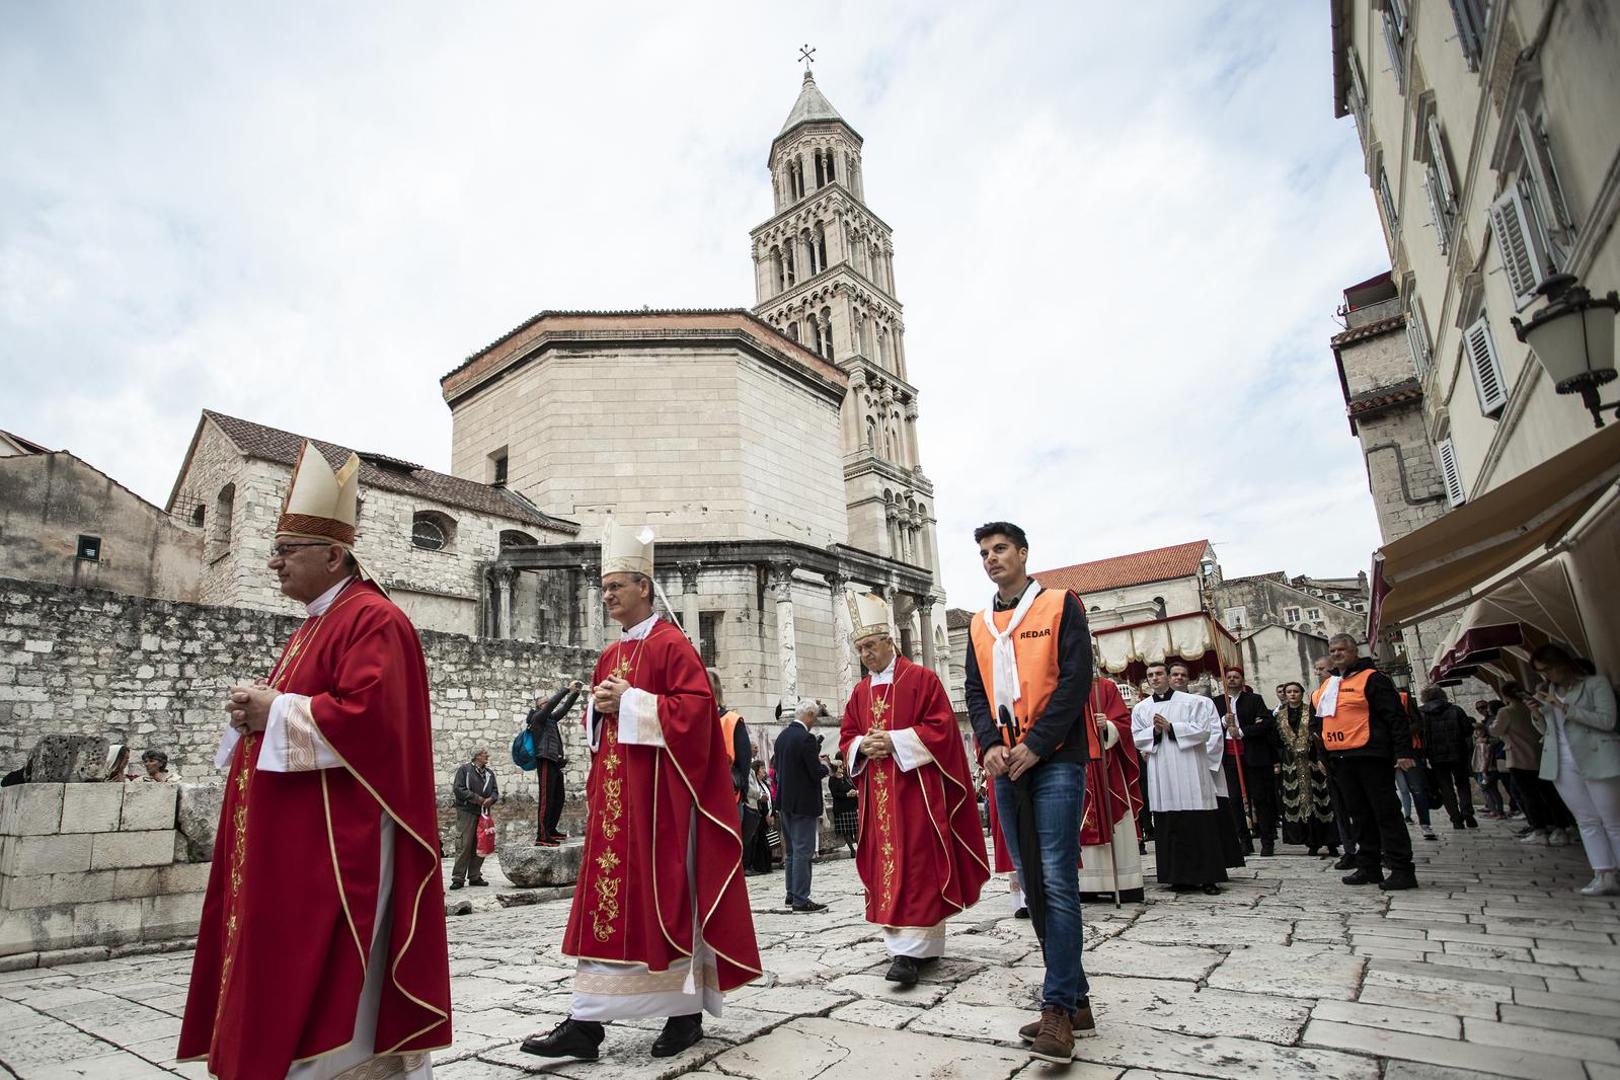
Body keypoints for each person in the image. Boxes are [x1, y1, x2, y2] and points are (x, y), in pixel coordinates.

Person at [178, 441, 450, 1077]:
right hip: (292, 842)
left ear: (334, 555)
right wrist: (258, 711)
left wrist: (275, 710)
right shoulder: (312, 624)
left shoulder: (373, 619)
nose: (272, 564)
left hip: (340, 844)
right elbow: (296, 711)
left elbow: (372, 723)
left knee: (331, 986)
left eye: (285, 551)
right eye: (273, 550)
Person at [522, 522, 760, 1062]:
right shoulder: (608, 656)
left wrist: (631, 701)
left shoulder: (673, 644)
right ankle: (586, 1023)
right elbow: (598, 726)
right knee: (606, 907)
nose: (607, 596)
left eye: (617, 586)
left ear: (645, 588)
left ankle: (684, 1012)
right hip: (615, 806)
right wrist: (603, 708)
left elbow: (697, 717)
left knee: (666, 901)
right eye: (603, 588)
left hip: (662, 807)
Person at [963, 521, 1099, 1064]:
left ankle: (1058, 1009)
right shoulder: (979, 623)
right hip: (1004, 763)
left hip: (1055, 758)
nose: (992, 558)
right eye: (984, 553)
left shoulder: (1061, 605)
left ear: (1023, 553)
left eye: (1000, 549)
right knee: (1032, 884)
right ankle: (1078, 999)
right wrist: (990, 745)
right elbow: (975, 691)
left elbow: (1074, 680)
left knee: (1058, 879)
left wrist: (1038, 744)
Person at [840, 591, 989, 986]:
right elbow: (847, 737)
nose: (866, 655)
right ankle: (900, 948)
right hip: (877, 797)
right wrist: (860, 746)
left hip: (916, 794)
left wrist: (895, 741)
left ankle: (914, 951)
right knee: (885, 867)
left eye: (871, 645)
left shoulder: (921, 679)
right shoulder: (858, 693)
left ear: (890, 641)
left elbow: (942, 730)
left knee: (918, 865)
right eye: (860, 649)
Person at [1312, 634, 1418, 891]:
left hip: (1370, 754)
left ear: (1354, 652)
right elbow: (1320, 723)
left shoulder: (1372, 679)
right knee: (1358, 815)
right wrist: (1323, 756)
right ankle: (1369, 865)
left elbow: (1395, 717)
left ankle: (1402, 868)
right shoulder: (1329, 684)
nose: (1337, 654)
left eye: (1342, 650)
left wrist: (1403, 752)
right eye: (1333, 650)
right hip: (1341, 758)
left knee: (1385, 813)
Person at [1526, 643, 1620, 896]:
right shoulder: (1550, 692)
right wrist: (1538, 713)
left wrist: (1564, 707)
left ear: (1561, 664)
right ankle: (1603, 874)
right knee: (1586, 820)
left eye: (1547, 670)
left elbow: (1608, 721)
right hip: (1563, 763)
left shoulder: (1595, 685)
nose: (1545, 677)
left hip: (1598, 756)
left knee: (1613, 821)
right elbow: (1549, 731)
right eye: (1540, 672)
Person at [1132, 661, 1226, 895]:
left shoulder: (1193, 703)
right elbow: (1136, 737)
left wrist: (1172, 727)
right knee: (1169, 824)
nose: (1154, 678)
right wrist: (1154, 731)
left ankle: (1207, 877)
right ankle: (1177, 876)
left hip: (1190, 769)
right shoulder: (1141, 708)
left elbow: (1205, 731)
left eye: (1159, 674)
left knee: (1198, 825)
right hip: (1162, 772)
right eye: (1150, 675)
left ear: (1168, 676)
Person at [1171, 663, 1244, 870]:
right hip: (1175, 772)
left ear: (1189, 679)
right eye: (1174, 674)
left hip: (1202, 767)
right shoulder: (1155, 705)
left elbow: (1212, 734)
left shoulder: (1203, 702)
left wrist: (1201, 762)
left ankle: (1217, 860)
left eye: (1183, 675)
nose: (1179, 678)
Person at [1079, 670, 1144, 902]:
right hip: (1076, 764)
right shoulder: (1058, 686)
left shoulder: (1104, 687)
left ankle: (1125, 883)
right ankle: (1086, 884)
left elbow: (1124, 723)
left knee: (1116, 818)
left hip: (1106, 765)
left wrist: (1107, 725)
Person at [1492, 684, 1575, 847]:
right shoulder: (1532, 707)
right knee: (1550, 794)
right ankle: (1560, 828)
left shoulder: (1506, 711)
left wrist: (1491, 726)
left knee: (1528, 796)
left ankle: (1539, 831)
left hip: (1519, 757)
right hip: (1541, 754)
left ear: (1506, 696)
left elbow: (1496, 731)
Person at [1214, 666, 1281, 856]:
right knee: (1234, 799)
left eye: (1236, 677)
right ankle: (1243, 839)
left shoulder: (1254, 700)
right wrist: (1222, 722)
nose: (1232, 680)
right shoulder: (1217, 702)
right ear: (1224, 681)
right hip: (1229, 757)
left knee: (1259, 798)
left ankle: (1267, 840)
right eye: (1229, 677)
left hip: (1252, 755)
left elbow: (1266, 723)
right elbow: (1209, 727)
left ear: (1242, 680)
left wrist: (1242, 731)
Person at [774, 700, 830, 912]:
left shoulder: (782, 737)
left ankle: (791, 893)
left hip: (785, 800)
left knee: (790, 851)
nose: (815, 721)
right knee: (803, 851)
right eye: (814, 716)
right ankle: (800, 898)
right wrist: (825, 766)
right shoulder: (805, 739)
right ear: (808, 714)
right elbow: (814, 772)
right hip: (803, 803)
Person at [1274, 683, 1337, 856]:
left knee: (1321, 799)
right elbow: (1276, 741)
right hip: (1291, 762)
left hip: (1312, 760)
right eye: (1289, 692)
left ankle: (1330, 840)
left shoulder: (1312, 711)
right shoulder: (1280, 715)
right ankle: (1310, 841)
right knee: (1299, 800)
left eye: (1295, 691)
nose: (1292, 695)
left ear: (1302, 693)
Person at [1313, 655, 1359, 869]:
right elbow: (1319, 729)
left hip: (1357, 753)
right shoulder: (1319, 694)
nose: (1319, 672)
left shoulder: (1353, 687)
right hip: (1332, 756)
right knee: (1339, 807)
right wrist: (1321, 757)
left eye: (1323, 668)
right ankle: (1349, 849)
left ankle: (1372, 848)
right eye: (1317, 669)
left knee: (1359, 807)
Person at [527, 681, 583, 846]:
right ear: (539, 706)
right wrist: (567, 689)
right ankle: (542, 836)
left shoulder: (550, 720)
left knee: (558, 797)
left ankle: (551, 829)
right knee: (546, 798)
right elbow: (553, 704)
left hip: (555, 761)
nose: (548, 705)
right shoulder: (537, 718)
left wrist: (576, 693)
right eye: (544, 703)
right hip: (544, 760)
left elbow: (564, 709)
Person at [1417, 687, 1477, 830]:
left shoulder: (1422, 714)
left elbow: (1421, 735)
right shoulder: (1456, 710)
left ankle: (1456, 819)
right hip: (1458, 753)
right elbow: (1468, 730)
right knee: (1462, 784)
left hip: (1436, 756)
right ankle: (1467, 812)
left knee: (1445, 787)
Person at [450, 748, 497, 889]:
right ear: (476, 756)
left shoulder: (489, 773)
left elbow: (495, 791)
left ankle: (475, 876)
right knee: (464, 844)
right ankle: (458, 878)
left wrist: (491, 799)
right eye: (484, 754)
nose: (487, 755)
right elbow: (458, 789)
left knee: (481, 843)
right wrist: (477, 799)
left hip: (483, 812)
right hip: (467, 811)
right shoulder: (464, 770)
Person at [828, 759, 858, 855]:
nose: (842, 767)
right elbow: (835, 794)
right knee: (846, 831)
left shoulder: (846, 776)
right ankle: (852, 851)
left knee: (856, 829)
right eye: (840, 766)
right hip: (842, 809)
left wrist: (854, 792)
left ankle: (860, 848)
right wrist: (846, 795)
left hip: (851, 806)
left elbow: (853, 785)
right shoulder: (832, 779)